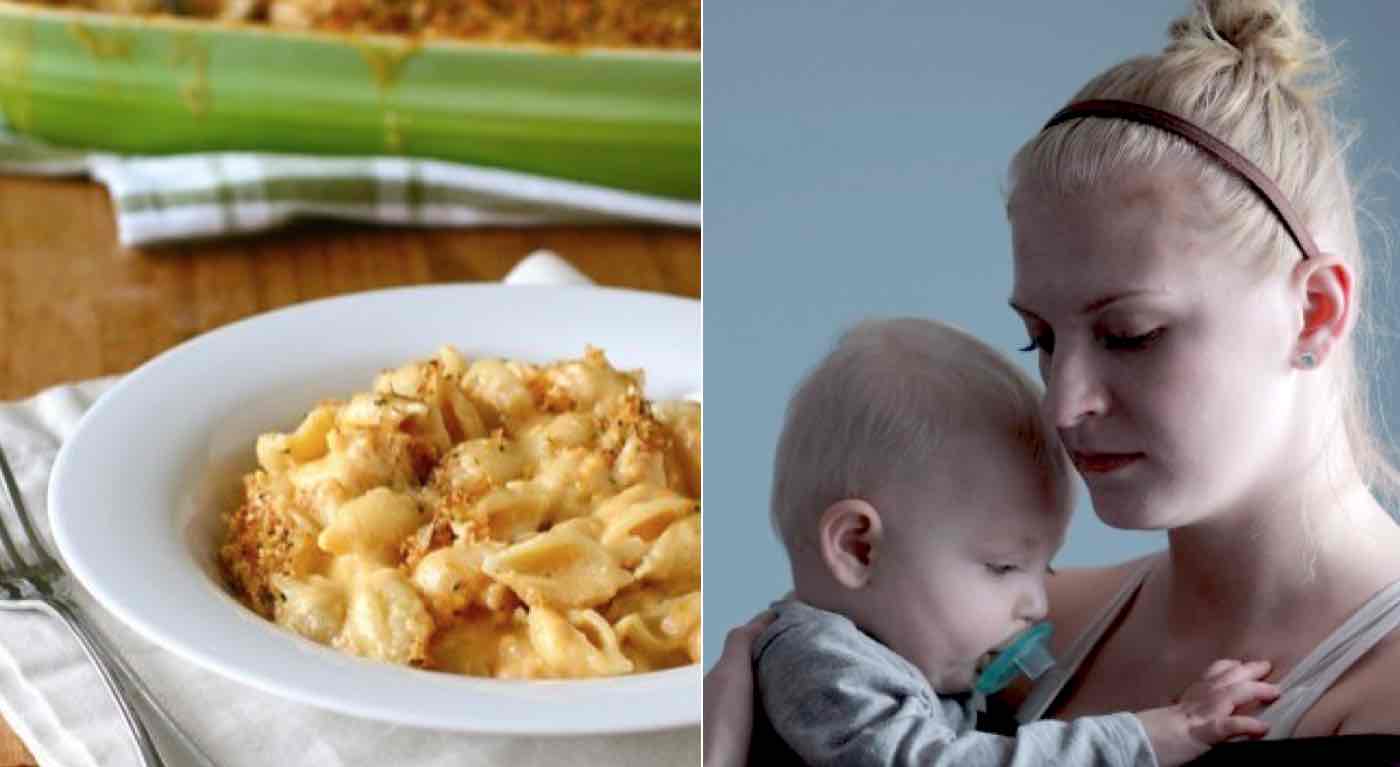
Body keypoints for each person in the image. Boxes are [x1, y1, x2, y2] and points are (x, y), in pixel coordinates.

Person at [705, 0, 1400, 762]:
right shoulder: (998, 630)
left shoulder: (1381, 687)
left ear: (1316, 311)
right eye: (1040, 338)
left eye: (1129, 335)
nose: (1063, 406)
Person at [741, 317, 1283, 767]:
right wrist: (1154, 735)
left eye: (1042, 570)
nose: (1039, 604)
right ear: (860, 548)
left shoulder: (903, 665)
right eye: (1003, 567)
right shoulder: (819, 666)